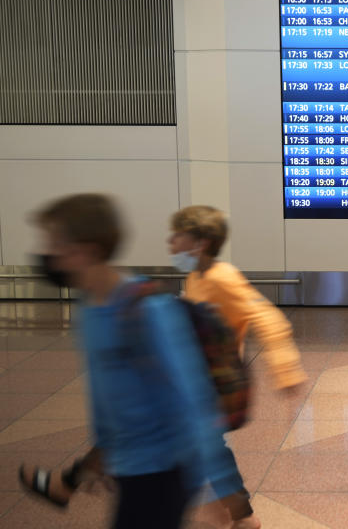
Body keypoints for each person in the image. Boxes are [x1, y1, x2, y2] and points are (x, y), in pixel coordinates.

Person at [18, 194, 244, 529]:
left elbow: (194, 398)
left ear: (89, 250)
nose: (48, 254)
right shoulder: (89, 305)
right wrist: (101, 456)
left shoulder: (145, 309)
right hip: (130, 463)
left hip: (163, 469)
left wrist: (220, 493)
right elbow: (107, 393)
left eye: (56, 244)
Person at [167, 205, 308, 529]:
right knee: (206, 446)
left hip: (219, 381)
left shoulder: (223, 278)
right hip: (199, 378)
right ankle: (234, 514)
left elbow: (267, 317)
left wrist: (286, 370)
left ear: (199, 244)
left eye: (177, 236)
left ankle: (241, 516)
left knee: (208, 447)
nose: (170, 242)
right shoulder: (196, 276)